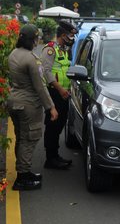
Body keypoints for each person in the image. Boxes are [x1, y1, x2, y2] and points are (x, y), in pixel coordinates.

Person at [8, 24, 59, 190]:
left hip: (14, 101)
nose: (37, 42)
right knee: (29, 139)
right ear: (31, 39)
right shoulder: (31, 59)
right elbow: (40, 86)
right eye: (36, 39)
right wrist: (51, 107)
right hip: (28, 105)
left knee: (21, 138)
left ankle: (24, 172)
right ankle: (22, 178)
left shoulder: (13, 54)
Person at [40, 20, 78, 170]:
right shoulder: (50, 50)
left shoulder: (63, 50)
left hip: (63, 93)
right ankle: (50, 159)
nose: (72, 39)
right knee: (52, 126)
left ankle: (55, 156)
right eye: (70, 35)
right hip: (54, 93)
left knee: (59, 125)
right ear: (63, 35)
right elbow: (46, 72)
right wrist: (60, 89)